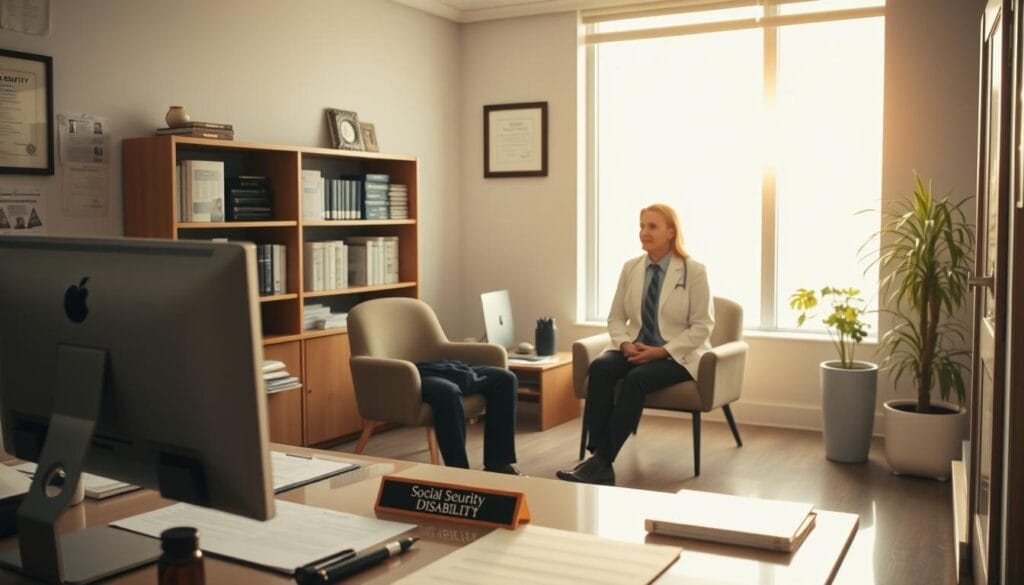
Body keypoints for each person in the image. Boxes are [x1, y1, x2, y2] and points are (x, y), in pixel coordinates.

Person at [557, 203, 714, 485]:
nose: (644, 232)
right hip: (636, 347)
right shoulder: (631, 268)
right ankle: (598, 456)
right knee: (601, 367)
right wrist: (626, 344)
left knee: (637, 380)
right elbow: (616, 318)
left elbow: (703, 325)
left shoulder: (694, 271)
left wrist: (662, 351)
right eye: (641, 225)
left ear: (670, 232)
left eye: (652, 226)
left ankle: (601, 461)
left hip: (677, 355)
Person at [416, 360, 523, 475]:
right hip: (410, 375)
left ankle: (498, 465)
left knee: (506, 377)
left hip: (439, 365)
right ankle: (460, 473)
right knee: (449, 391)